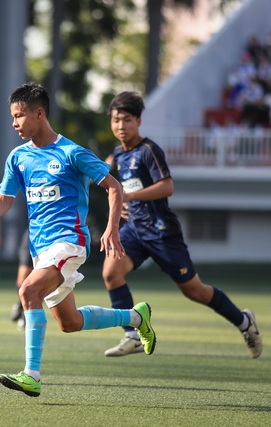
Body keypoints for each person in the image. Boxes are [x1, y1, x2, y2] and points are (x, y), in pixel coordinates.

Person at [0, 82, 156, 398]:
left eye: (19, 116)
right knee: (69, 322)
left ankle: (31, 375)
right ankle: (135, 316)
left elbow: (114, 187)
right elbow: (5, 200)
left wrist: (111, 228)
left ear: (39, 112)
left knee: (28, 290)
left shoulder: (72, 153)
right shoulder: (17, 157)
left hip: (69, 242)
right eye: (12, 117)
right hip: (40, 249)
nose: (15, 123)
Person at [102, 91, 262, 359]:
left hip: (161, 231)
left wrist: (129, 196)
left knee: (194, 291)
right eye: (116, 120)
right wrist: (118, 212)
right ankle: (132, 335)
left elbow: (167, 186)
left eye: (127, 120)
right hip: (135, 230)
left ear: (139, 121)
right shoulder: (118, 155)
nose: (121, 125)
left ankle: (244, 321)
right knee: (111, 273)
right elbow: (113, 189)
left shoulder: (148, 150)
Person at [10, 229, 33, 331]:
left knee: (41, 283)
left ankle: (26, 316)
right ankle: (20, 304)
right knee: (22, 280)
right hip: (34, 233)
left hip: (55, 238)